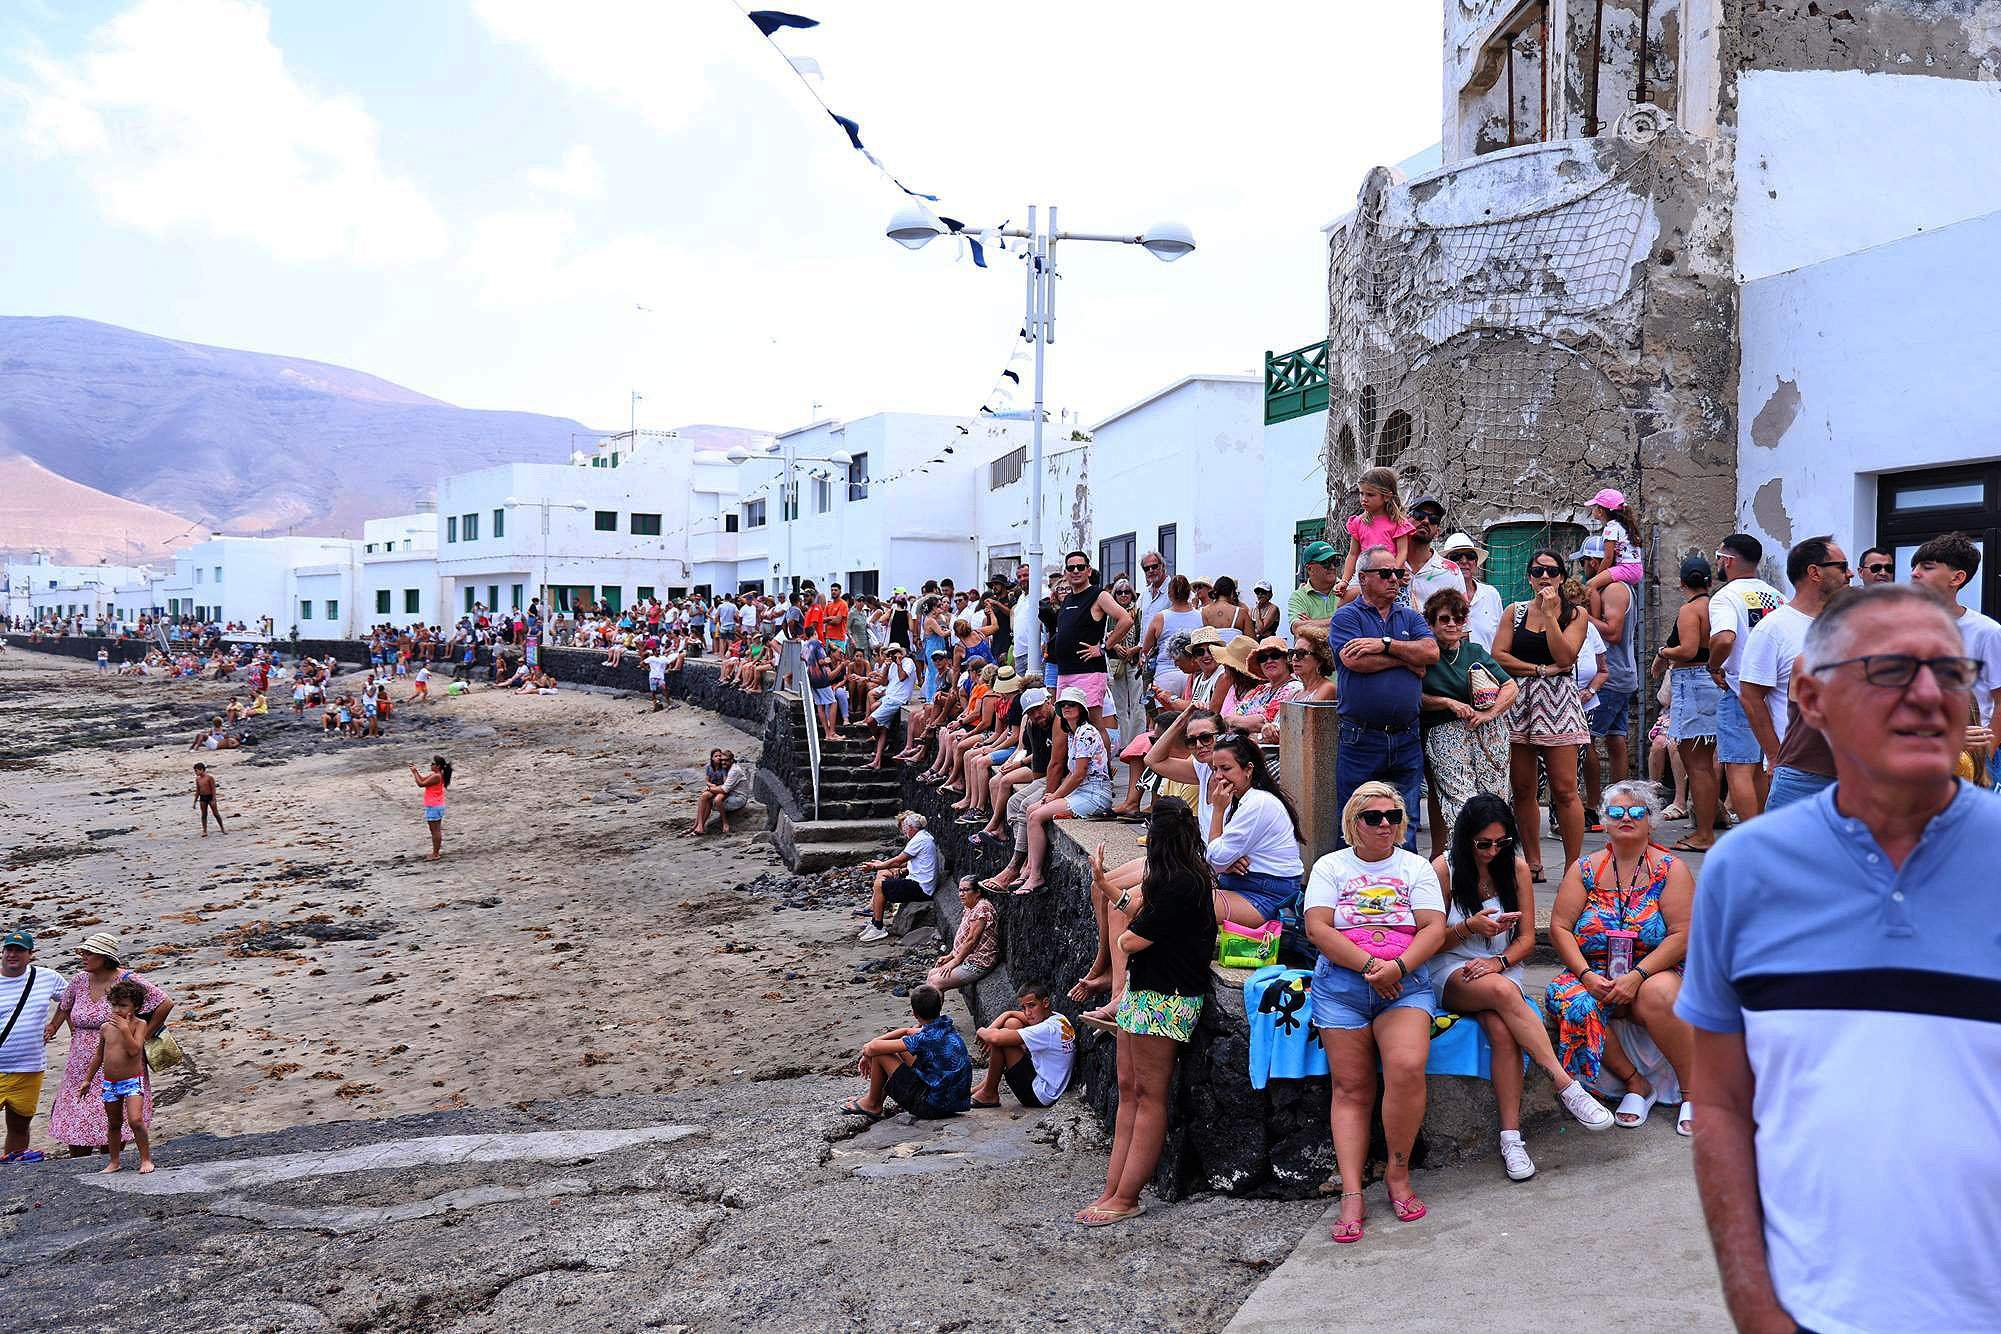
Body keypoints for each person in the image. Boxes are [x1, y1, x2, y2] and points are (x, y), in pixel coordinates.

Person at [1679, 584, 1997, 1334]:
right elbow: (1720, 1105)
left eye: (1950, 671)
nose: (1929, 695)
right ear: (1810, 698)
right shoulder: (1745, 872)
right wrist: (1756, 1308)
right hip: (1817, 1310)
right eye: (1891, 669)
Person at [1431, 796, 1615, 1181]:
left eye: (1501, 842)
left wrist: (1498, 961)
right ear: (1465, 838)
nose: (1492, 851)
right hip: (1451, 969)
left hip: (1501, 967)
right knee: (1501, 993)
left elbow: (1528, 940)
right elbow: (1428, 941)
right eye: (1483, 844)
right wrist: (1468, 928)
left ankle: (1511, 1138)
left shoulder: (1514, 867)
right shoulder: (1444, 869)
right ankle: (1565, 1084)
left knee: (1502, 1031)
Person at [1303, 783, 1446, 1242]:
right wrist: (1369, 966)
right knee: (1351, 1088)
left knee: (1406, 1066)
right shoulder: (1331, 866)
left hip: (1403, 984)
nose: (1385, 824)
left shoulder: (1415, 867)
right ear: (1354, 823)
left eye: (1393, 816)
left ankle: (1397, 1173)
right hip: (1344, 986)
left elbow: (1433, 927)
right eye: (1373, 817)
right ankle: (1351, 1192)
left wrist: (1396, 968)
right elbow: (1317, 927)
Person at [1075, 798, 1217, 1226]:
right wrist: (1104, 885)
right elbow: (1137, 912)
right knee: (1128, 1090)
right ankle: (1112, 1189)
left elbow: (1130, 940)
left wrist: (1128, 933)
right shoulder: (1172, 877)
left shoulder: (1183, 883)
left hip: (1168, 1000)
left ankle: (1127, 1196)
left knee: (1149, 1096)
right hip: (1143, 992)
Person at [1543, 780, 1697, 1133]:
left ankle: (1692, 1091)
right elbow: (1560, 927)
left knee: (1658, 993)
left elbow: (1682, 934)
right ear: (1605, 820)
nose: (1626, 817)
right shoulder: (1585, 869)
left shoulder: (1670, 869)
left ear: (1651, 821)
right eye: (1616, 812)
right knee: (1569, 997)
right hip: (1595, 970)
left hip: (1655, 969)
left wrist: (1637, 976)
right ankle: (1635, 1083)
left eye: (1636, 812)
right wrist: (1585, 975)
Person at [1327, 545, 1438, 847]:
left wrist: (1384, 644)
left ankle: (1405, 877)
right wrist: (1407, 661)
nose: (1394, 579)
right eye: (1386, 573)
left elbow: (1430, 652)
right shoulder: (1347, 617)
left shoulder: (1410, 617)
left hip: (1406, 736)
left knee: (1406, 819)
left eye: (1398, 573)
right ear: (1363, 578)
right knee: (1354, 818)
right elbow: (1355, 661)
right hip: (1361, 737)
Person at [1492, 548, 1590, 879]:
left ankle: (1573, 866)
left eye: (1551, 571)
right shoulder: (1515, 611)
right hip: (1520, 700)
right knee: (1522, 788)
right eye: (1537, 571)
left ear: (1562, 576)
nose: (1544, 577)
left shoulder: (1575, 614)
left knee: (1564, 789)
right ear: (1529, 577)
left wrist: (1549, 616)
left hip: (1558, 702)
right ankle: (1533, 862)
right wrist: (1538, 669)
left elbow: (1565, 658)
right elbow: (1499, 655)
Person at [1741, 535, 1850, 811]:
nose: (1850, 574)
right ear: (1814, 572)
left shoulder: (1849, 624)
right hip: (1801, 772)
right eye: (1842, 566)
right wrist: (1774, 755)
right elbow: (1751, 696)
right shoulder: (1774, 628)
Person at [46, 934, 172, 1159]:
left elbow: (165, 1002)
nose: (83, 957)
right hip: (80, 1064)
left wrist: (143, 1035)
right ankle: (79, 1168)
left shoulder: (127, 980)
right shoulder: (79, 980)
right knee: (77, 1117)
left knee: (113, 1118)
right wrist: (54, 1027)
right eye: (83, 952)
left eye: (89, 953)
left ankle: (112, 1162)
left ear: (105, 957)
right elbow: (65, 1006)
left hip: (119, 1060)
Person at [1419, 588, 1517, 834]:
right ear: (1431, 622)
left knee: (1495, 797)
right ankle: (1464, 849)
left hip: (1487, 730)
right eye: (1444, 619)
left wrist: (1489, 713)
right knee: (1460, 800)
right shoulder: (1425, 654)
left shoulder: (1474, 651)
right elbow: (1414, 696)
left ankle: (1495, 848)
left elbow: (1510, 686)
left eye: (1459, 618)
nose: (1452, 624)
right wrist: (1446, 702)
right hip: (1444, 730)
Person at [1708, 532, 1786, 819]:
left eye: (1718, 557)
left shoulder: (1725, 597)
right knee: (1764, 766)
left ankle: (1749, 836)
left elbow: (1725, 638)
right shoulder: (1777, 596)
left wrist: (1713, 665)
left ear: (1728, 560)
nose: (1717, 563)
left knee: (1739, 767)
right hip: (1775, 690)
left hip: (1742, 688)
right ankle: (1764, 830)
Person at [1651, 555, 1723, 850]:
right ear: (1709, 581)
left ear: (1682, 583)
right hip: (1711, 681)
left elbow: (1689, 649)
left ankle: (1704, 834)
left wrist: (1663, 652)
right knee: (1705, 760)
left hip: (1693, 682)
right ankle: (1711, 821)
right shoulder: (1716, 606)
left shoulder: (1690, 609)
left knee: (1696, 763)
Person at [1016, 688, 1115, 896]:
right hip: (1082, 791)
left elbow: (1078, 774)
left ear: (1081, 708)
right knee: (1032, 809)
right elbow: (1073, 774)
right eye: (1063, 705)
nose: (1067, 708)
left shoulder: (1086, 732)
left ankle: (1035, 875)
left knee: (1035, 816)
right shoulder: (1072, 733)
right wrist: (1055, 795)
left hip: (1094, 794)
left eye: (1072, 704)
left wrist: (1056, 795)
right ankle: (1029, 867)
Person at [1906, 530, 2001, 739]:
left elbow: (1999, 701)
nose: (1914, 573)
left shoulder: (1987, 631)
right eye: (1914, 566)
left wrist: (1986, 751)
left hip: (1969, 749)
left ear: (1957, 578)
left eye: (1927, 567)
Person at [1576, 533, 1640, 829]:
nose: (1583, 568)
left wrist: (1581, 616)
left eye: (1585, 562)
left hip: (1610, 676)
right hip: (1622, 674)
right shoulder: (1616, 587)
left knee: (1587, 739)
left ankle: (1592, 808)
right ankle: (1619, 806)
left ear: (1594, 561)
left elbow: (1612, 632)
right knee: (1615, 739)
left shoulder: (1615, 589)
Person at [841, 983, 972, 1121]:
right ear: (939, 1007)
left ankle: (872, 1104)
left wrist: (867, 1051)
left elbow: (873, 1048)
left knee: (881, 1054)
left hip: (931, 1108)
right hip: (952, 1103)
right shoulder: (945, 1027)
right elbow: (907, 1032)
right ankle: (875, 1098)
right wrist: (868, 1050)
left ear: (914, 1014)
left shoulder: (924, 1038)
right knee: (899, 1050)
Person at [1048, 552, 1133, 757]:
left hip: (1089, 671)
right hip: (1065, 672)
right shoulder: (1067, 599)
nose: (1076, 571)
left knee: (1094, 724)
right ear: (1065, 573)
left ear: (1088, 570)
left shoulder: (1098, 595)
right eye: (1071, 568)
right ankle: (1078, 766)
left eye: (1080, 567)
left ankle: (1104, 770)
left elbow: (1126, 620)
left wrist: (1103, 647)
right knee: (1069, 725)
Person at [71, 978, 154, 1173]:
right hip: (110, 1083)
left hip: (132, 1081)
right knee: (114, 1123)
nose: (117, 1010)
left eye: (123, 1006)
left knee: (135, 1120)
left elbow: (134, 1050)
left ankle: (146, 1159)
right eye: (114, 1005)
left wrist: (124, 1029)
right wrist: (87, 1079)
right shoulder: (106, 1028)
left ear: (136, 1007)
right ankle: (114, 1161)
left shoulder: (139, 1025)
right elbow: (99, 1055)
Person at [1, 928, 67, 1164]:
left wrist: (54, 1025)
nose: (12, 955)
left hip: (29, 1067)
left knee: (19, 1125)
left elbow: (70, 999)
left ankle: (12, 1171)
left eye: (19, 950)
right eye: (9, 949)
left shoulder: (47, 977)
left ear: (30, 954)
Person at [971, 981, 1075, 1111]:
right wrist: (1002, 1018)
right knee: (1012, 1023)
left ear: (1045, 1003)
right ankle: (986, 1085)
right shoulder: (1058, 1018)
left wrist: (981, 1030)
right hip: (1051, 1083)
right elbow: (1011, 1014)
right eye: (1023, 1008)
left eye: (1031, 1006)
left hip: (1039, 1096)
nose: (1027, 1013)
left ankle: (989, 1093)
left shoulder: (1045, 1030)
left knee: (1003, 1039)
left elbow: (995, 1038)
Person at [1333, 467, 1416, 600]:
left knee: (1398, 607)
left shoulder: (1398, 522)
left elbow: (1402, 552)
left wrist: (1392, 572)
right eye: (1361, 493)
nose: (1364, 499)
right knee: (1342, 604)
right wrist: (1344, 581)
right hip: (1364, 574)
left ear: (1387, 496)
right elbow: (1353, 554)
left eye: (1370, 495)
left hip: (1391, 575)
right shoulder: (1358, 522)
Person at [858, 812, 938, 942]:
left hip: (921, 888)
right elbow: (909, 862)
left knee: (879, 885)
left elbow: (898, 860)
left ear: (911, 828)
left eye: (905, 828)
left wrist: (876, 866)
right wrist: (885, 867)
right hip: (919, 882)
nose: (904, 832)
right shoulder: (923, 837)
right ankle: (874, 920)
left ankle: (878, 927)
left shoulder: (919, 840)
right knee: (882, 877)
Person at [926, 877, 998, 994]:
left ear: (977, 892)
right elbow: (963, 936)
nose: (961, 894)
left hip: (979, 962)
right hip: (966, 957)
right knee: (931, 974)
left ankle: (931, 1007)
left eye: (966, 890)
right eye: (960, 890)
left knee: (935, 982)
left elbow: (972, 940)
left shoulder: (982, 908)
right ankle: (932, 1006)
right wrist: (950, 956)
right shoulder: (969, 906)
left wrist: (954, 962)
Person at [1438, 533, 1503, 650]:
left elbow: (1501, 636)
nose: (1464, 561)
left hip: (1487, 660)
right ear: (1446, 563)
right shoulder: (1438, 597)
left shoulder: (1491, 594)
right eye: (1456, 556)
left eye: (1470, 556)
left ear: (1476, 562)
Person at [1581, 487, 1645, 593]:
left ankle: (1595, 605)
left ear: (1600, 511)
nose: (1592, 510)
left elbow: (1608, 557)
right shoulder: (1623, 525)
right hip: (1636, 569)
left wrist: (1597, 576)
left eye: (1594, 507)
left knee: (1590, 585)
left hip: (1625, 568)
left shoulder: (1611, 528)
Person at [1403, 495, 1459, 612]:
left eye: (1433, 519)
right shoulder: (1389, 564)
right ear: (1405, 520)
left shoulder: (1450, 572)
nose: (1426, 521)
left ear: (1437, 532)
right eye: (1419, 515)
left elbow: (1461, 618)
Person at [866, 643, 917, 768]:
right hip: (889, 697)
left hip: (897, 699)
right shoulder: (891, 665)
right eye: (890, 654)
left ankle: (877, 739)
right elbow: (884, 682)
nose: (892, 656)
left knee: (870, 720)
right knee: (881, 724)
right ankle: (877, 761)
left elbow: (902, 677)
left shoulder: (908, 662)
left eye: (894, 653)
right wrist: (886, 668)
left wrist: (899, 663)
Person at [1287, 539, 1344, 638]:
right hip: (1314, 647)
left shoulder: (1347, 590)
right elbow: (1298, 628)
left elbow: (1351, 622)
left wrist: (1311, 623)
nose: (1332, 567)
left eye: (1335, 562)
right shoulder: (1298, 597)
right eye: (1326, 563)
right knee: (1303, 643)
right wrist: (1338, 621)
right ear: (1310, 569)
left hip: (1345, 645)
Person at [410, 755, 451, 859]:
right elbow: (422, 779)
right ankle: (435, 852)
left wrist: (414, 773)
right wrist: (416, 772)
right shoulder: (436, 775)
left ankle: (435, 854)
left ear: (438, 766)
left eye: (433, 764)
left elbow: (420, 784)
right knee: (435, 830)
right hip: (436, 805)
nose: (431, 765)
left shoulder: (437, 776)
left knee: (435, 831)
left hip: (434, 806)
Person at [188, 761, 225, 836]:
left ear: (201, 769)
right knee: (204, 815)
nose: (195, 772)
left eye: (196, 771)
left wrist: (214, 799)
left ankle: (222, 828)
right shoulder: (198, 779)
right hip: (202, 797)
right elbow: (198, 791)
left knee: (216, 814)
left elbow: (213, 789)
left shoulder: (209, 778)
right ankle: (204, 831)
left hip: (210, 797)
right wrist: (195, 801)